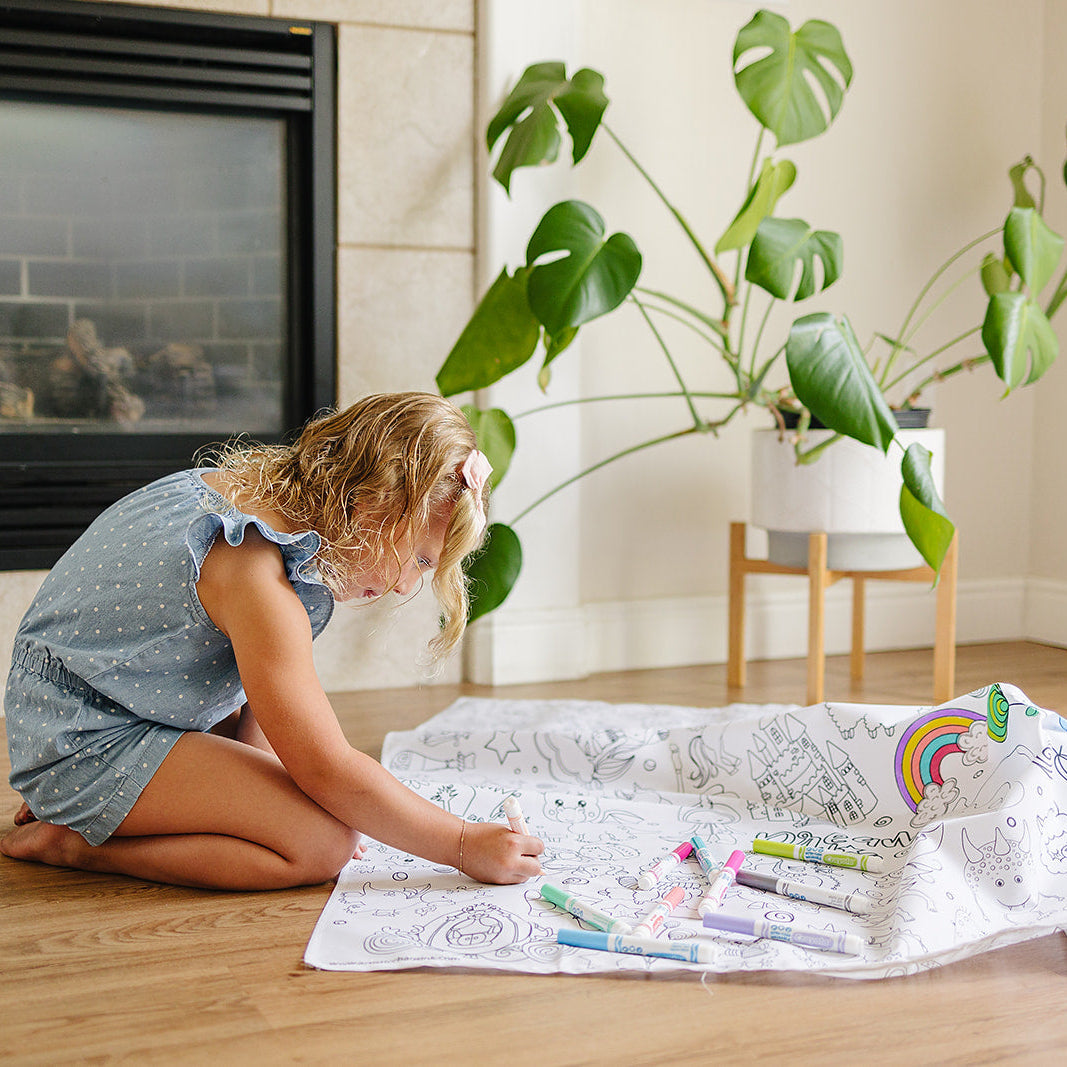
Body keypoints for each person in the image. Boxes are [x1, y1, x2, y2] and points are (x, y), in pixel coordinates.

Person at [1, 392, 543, 890]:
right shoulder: (255, 578)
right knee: (321, 843)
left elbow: (265, 712)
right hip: (82, 738)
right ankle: (80, 846)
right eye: (420, 560)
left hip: (74, 708)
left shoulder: (247, 497)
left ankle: (81, 803)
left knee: (311, 807)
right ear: (375, 506)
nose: (405, 586)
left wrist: (273, 802)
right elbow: (325, 766)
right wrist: (461, 844)